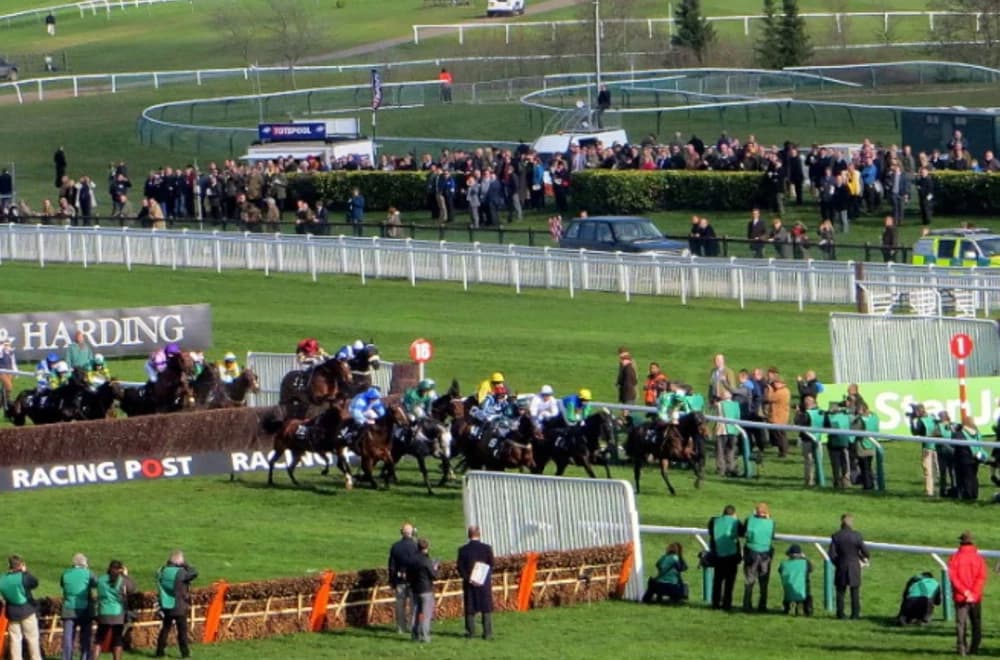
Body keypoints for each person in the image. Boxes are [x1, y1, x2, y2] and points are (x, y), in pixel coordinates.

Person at [949, 530, 988, 656]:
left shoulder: (955, 558)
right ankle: (974, 649)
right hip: (975, 598)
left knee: (961, 624)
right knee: (976, 623)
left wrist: (965, 592)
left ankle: (962, 649)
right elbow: (981, 577)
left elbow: (953, 577)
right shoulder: (979, 558)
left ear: (961, 542)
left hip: (961, 597)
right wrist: (973, 593)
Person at [154, 549, 198, 659]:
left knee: (165, 628)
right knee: (182, 631)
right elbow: (194, 573)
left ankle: (159, 651)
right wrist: (186, 565)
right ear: (179, 562)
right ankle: (185, 653)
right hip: (179, 605)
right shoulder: (180, 573)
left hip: (165, 604)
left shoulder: (162, 570)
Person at [0, 555, 42, 660]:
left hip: (12, 613)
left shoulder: (2, 579)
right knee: (32, 638)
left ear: (9, 565)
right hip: (27, 611)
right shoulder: (23, 576)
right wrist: (25, 572)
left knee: (15, 640)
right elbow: (35, 583)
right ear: (21, 565)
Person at [92, 560, 136, 660]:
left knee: (99, 639)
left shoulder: (101, 579)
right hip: (117, 614)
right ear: (120, 569)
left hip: (103, 612)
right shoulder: (122, 580)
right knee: (117, 640)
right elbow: (133, 589)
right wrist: (126, 575)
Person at [457, 525, 494, 639]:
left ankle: (470, 632)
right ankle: (487, 633)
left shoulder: (463, 550)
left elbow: (460, 567)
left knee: (470, 607)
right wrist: (483, 577)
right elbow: (491, 565)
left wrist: (468, 578)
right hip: (483, 583)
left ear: (469, 535)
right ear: (479, 534)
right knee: (486, 607)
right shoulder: (487, 548)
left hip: (469, 583)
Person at [829, 513, 869, 620]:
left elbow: (832, 554)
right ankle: (855, 614)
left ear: (841, 522)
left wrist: (838, 563)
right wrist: (860, 558)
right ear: (852, 523)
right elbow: (866, 552)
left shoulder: (836, 536)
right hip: (854, 566)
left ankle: (840, 614)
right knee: (854, 592)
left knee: (840, 592)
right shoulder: (857, 535)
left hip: (841, 565)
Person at [60, 553, 95, 660]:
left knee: (68, 638)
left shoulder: (65, 573)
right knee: (85, 638)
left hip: (68, 609)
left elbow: (62, 585)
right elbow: (95, 584)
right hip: (84, 610)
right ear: (84, 563)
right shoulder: (88, 573)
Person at [741, 502, 775, 612]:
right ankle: (762, 605)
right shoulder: (771, 522)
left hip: (751, 554)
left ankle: (747, 605)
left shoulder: (749, 520)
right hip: (765, 555)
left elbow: (743, 531)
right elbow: (772, 535)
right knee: (764, 582)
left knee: (749, 580)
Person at [707, 504, 741, 611]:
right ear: (734, 513)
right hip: (731, 556)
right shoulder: (736, 522)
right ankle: (727, 604)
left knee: (717, 581)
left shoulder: (714, 521)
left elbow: (710, 530)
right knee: (729, 583)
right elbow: (743, 531)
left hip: (718, 555)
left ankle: (715, 603)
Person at [388, 523, 419, 635]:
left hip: (399, 579)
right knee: (413, 605)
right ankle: (412, 626)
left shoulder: (395, 546)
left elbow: (391, 566)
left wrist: (392, 581)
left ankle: (401, 627)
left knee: (400, 605)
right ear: (412, 532)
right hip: (413, 580)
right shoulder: (416, 546)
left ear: (401, 532)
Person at [407, 538, 438, 643]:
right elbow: (434, 575)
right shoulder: (426, 560)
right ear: (426, 548)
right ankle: (425, 636)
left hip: (415, 589)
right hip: (426, 590)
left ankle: (415, 635)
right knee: (426, 614)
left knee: (415, 613)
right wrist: (435, 568)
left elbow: (408, 575)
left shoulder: (411, 559)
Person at [909, 403, 940, 497]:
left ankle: (929, 491)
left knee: (928, 471)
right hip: (937, 447)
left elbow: (915, 433)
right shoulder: (932, 417)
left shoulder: (921, 421)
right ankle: (940, 489)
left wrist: (911, 421)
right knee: (938, 470)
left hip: (927, 448)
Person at [779, 545, 812, 616]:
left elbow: (780, 571)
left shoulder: (784, 564)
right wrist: (804, 557)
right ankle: (807, 610)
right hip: (802, 592)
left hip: (788, 593)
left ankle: (787, 608)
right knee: (807, 585)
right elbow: (811, 569)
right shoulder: (805, 563)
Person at [713, 390, 740, 477]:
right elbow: (738, 417)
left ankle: (721, 469)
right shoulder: (736, 405)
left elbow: (715, 411)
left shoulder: (719, 404)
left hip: (722, 430)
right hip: (733, 430)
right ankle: (731, 468)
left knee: (720, 451)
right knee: (731, 450)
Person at [0, 336, 17, 404]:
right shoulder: (1, 352)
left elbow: (13, 362)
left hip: (10, 371)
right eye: (6, 345)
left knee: (6, 388)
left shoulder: (11, 353)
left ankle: (3, 401)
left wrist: (16, 372)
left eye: (8, 345)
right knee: (9, 387)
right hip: (2, 371)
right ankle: (7, 400)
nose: (7, 346)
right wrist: (3, 345)